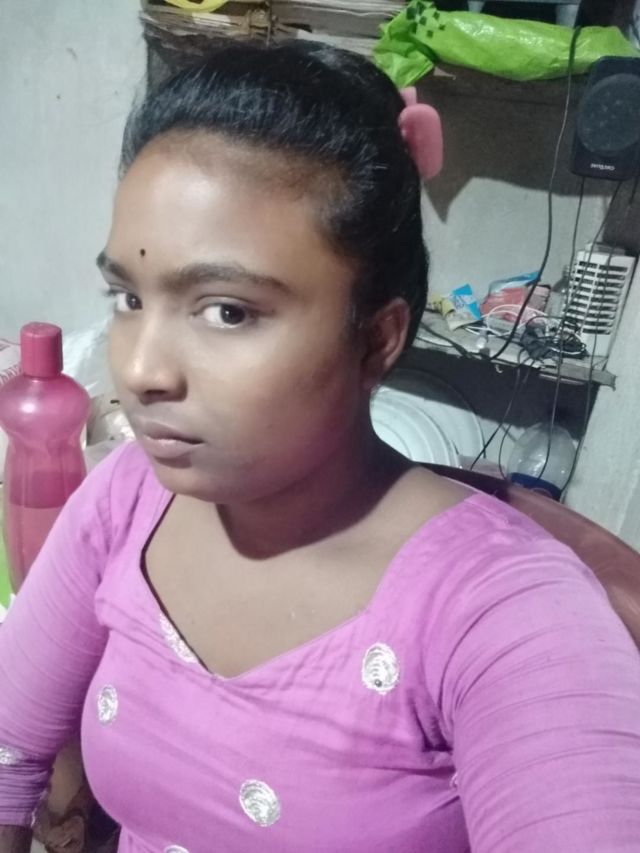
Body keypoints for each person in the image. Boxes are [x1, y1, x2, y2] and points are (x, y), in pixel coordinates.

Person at [1, 39, 640, 853]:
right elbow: (8, 749)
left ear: (376, 338)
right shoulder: (128, 499)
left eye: (228, 311)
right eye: (129, 296)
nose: (141, 369)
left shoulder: (504, 614)